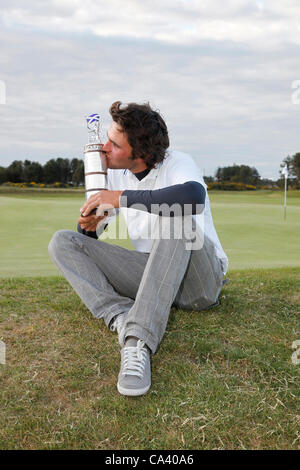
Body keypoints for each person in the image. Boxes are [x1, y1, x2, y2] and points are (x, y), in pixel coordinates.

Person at [48, 101, 228, 397]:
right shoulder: (117, 174)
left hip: (200, 283)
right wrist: (88, 225)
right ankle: (120, 316)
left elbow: (193, 196)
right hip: (155, 274)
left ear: (141, 154)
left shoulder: (178, 162)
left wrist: (119, 197)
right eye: (107, 139)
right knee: (63, 241)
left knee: (176, 216)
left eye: (115, 144)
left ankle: (137, 342)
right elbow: (91, 241)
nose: (104, 148)